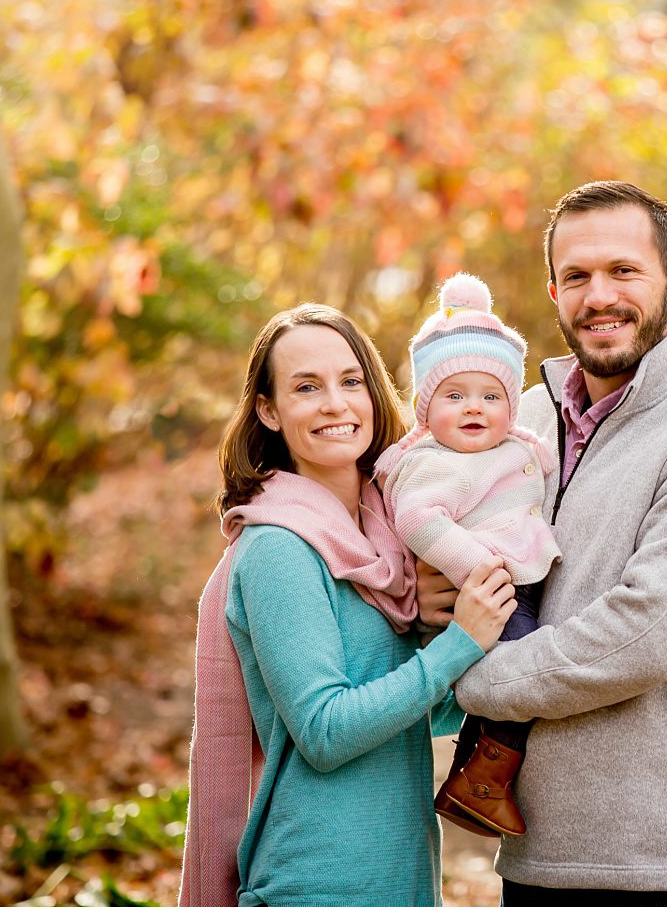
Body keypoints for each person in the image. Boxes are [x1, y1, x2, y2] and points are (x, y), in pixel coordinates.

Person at [420, 181, 667, 906]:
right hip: (537, 849)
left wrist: (463, 671)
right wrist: (440, 601)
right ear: (553, 290)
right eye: (578, 276)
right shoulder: (519, 422)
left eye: (624, 271)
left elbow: (646, 634)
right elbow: (460, 567)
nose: (600, 296)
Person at [179, 303, 517, 908]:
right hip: (316, 884)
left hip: (402, 880)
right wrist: (457, 647)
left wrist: (439, 641)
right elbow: (325, 731)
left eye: (351, 381)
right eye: (307, 387)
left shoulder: (386, 544)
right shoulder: (279, 547)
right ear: (270, 411)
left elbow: (415, 721)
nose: (335, 403)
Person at [373, 272, 562, 839]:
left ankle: (473, 779)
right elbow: (417, 520)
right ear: (426, 411)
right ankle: (482, 781)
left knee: (516, 676)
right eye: (454, 397)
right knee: (523, 671)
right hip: (488, 589)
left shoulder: (514, 446)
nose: (474, 408)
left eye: (491, 396)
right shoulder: (435, 461)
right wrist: (475, 571)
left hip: (508, 581)